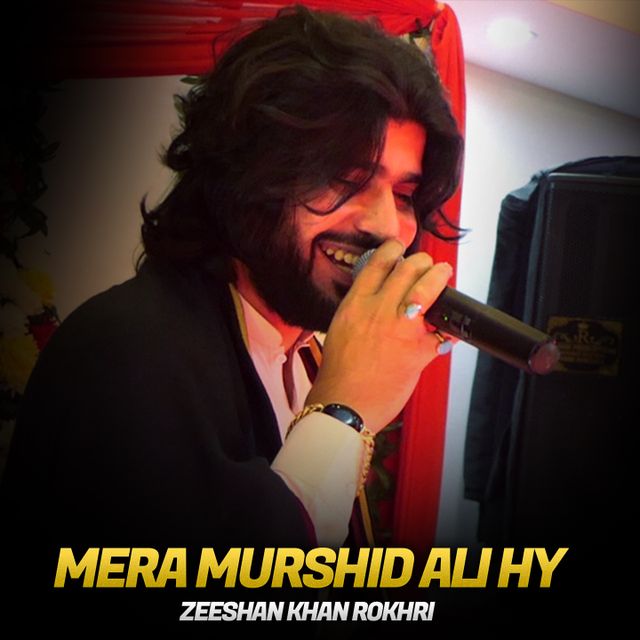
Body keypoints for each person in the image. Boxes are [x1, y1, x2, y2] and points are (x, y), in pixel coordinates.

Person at [0, 4, 462, 618]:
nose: (385, 227)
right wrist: (346, 411)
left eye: (404, 194)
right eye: (345, 176)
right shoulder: (127, 350)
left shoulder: (303, 355)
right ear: (248, 174)